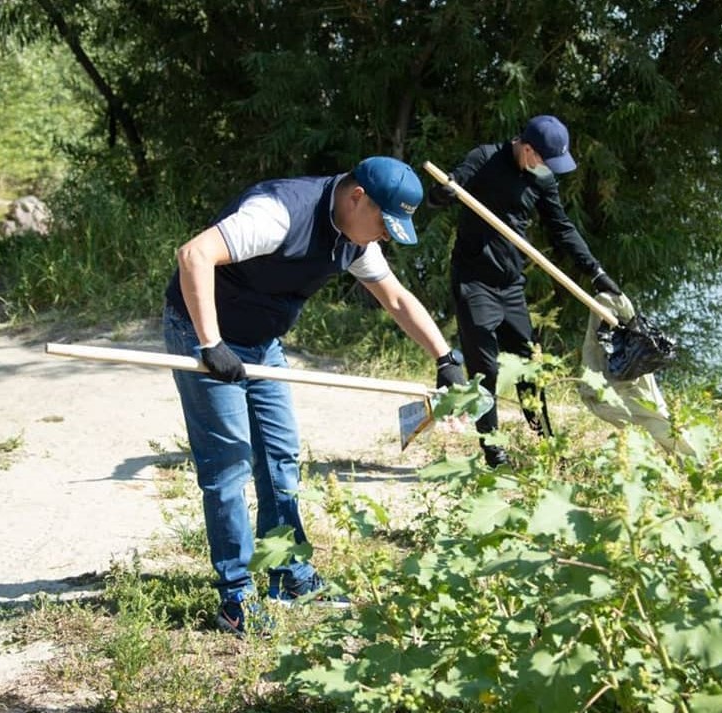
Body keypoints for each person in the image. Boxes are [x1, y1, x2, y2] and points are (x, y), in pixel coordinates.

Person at [163, 156, 466, 636]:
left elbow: (397, 298)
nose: (385, 236)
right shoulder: (279, 213)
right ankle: (235, 597)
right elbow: (193, 255)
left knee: (281, 457)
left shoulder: (355, 238)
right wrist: (210, 343)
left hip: (263, 344)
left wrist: (445, 357)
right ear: (357, 198)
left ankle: (287, 574)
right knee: (230, 463)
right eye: (384, 225)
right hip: (205, 335)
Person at [428, 115, 621, 468]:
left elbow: (562, 229)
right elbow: (445, 190)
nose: (546, 167)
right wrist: (444, 193)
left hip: (510, 284)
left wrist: (596, 272)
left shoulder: (541, 179)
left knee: (530, 365)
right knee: (485, 366)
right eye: (544, 158)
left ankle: (544, 440)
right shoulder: (484, 158)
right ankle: (493, 451)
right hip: (474, 280)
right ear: (527, 148)